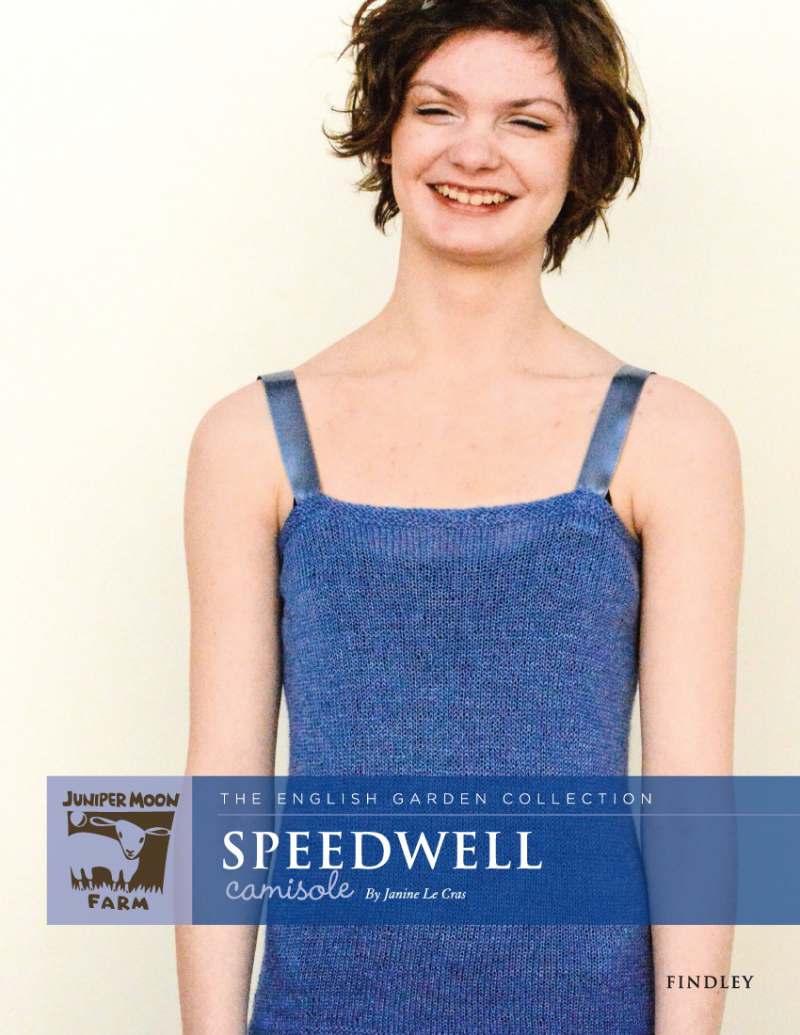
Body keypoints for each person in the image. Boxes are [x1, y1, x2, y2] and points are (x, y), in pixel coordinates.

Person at [177, 1, 743, 1032]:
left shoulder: (673, 439)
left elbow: (693, 816)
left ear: (580, 154)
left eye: (526, 120)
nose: (474, 152)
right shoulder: (248, 439)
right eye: (437, 109)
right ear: (387, 132)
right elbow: (225, 798)